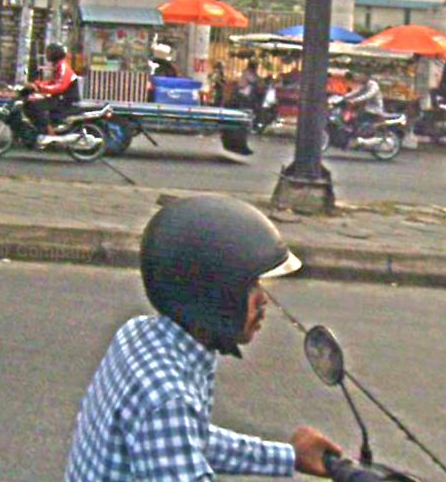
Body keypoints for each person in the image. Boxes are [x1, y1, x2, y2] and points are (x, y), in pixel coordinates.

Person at [65, 195, 343, 481]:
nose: (263, 300)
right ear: (211, 292)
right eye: (250, 285)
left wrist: (288, 456)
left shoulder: (139, 334)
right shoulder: (167, 399)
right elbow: (175, 429)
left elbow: (189, 439)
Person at [25, 43, 80, 146]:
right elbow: (52, 83)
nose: (47, 55)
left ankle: (50, 134)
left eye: (49, 52)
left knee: (36, 105)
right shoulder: (58, 66)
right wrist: (37, 84)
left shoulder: (63, 67)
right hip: (59, 97)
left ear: (55, 53)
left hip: (65, 99)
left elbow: (59, 87)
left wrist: (40, 87)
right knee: (31, 102)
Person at [343, 71, 385, 146]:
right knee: (353, 118)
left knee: (356, 118)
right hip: (368, 108)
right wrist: (344, 96)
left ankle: (361, 138)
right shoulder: (366, 84)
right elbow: (357, 92)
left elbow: (368, 95)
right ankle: (356, 136)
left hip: (375, 110)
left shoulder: (373, 85)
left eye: (361, 76)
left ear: (366, 76)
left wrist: (355, 100)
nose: (360, 77)